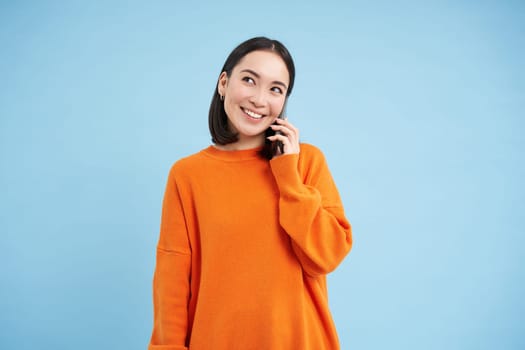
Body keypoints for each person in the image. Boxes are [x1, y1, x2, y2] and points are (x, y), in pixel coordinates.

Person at [148, 37, 353, 350]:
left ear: (283, 101)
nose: (259, 99)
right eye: (249, 80)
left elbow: (325, 256)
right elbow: (172, 283)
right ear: (223, 83)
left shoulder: (306, 162)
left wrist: (287, 173)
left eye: (275, 89)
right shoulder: (187, 175)